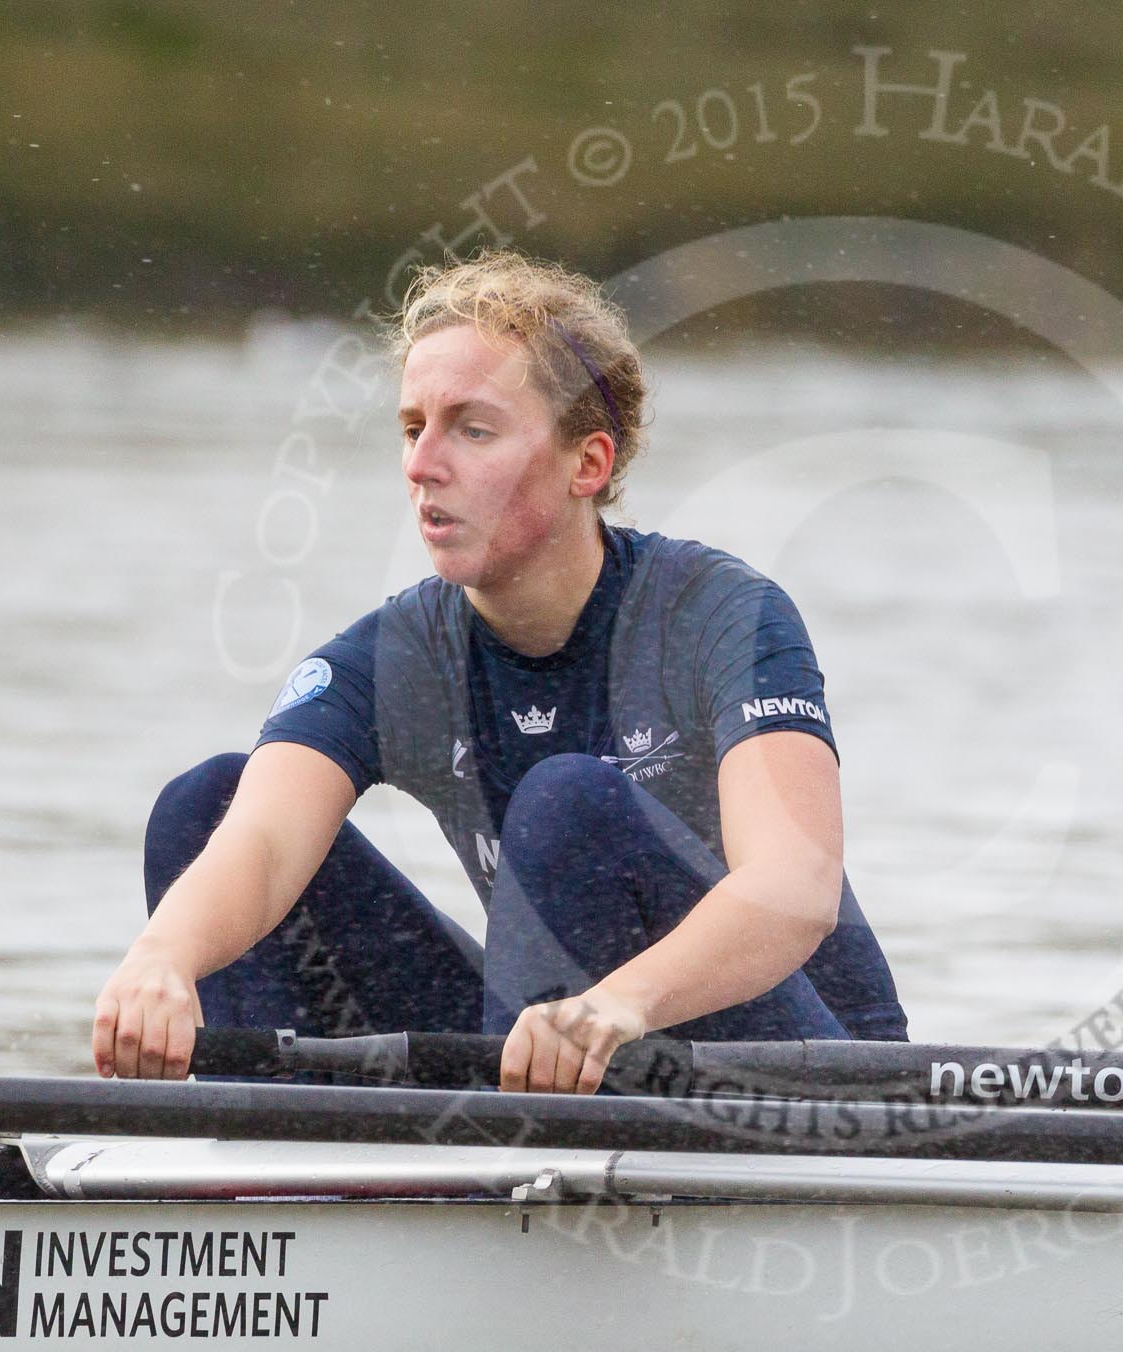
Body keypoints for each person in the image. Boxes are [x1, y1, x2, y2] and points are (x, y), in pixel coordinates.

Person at [95, 250, 907, 1093]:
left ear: (586, 465)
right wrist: (161, 959)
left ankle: (504, 1164)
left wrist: (618, 1004)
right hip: (564, 1055)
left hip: (823, 1084)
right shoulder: (395, 656)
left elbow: (795, 885)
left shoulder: (721, 616)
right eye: (414, 428)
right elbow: (262, 844)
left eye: (471, 430)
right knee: (205, 808)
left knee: (567, 801)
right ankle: (278, 1169)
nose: (421, 466)